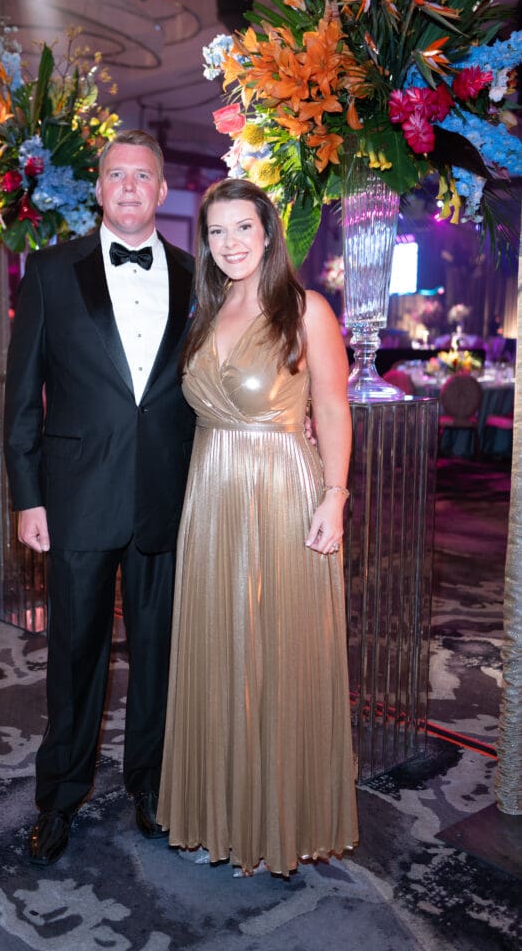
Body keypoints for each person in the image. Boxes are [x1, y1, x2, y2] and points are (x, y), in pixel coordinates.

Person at [3, 129, 196, 866]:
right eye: (114, 175)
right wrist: (27, 496)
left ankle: (151, 786)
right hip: (75, 498)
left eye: (140, 176)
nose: (126, 187)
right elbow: (24, 397)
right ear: (97, 188)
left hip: (166, 498)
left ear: (161, 191)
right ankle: (58, 799)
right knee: (74, 659)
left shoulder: (193, 274)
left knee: (158, 660)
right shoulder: (50, 271)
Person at [156, 177, 359, 877]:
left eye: (243, 228)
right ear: (204, 241)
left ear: (268, 233)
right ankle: (219, 810)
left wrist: (333, 496)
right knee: (219, 644)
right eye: (216, 231)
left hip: (279, 488)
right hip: (211, 490)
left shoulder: (304, 310)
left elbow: (331, 409)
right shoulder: (207, 310)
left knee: (276, 650)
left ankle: (278, 817)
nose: (231, 243)